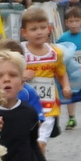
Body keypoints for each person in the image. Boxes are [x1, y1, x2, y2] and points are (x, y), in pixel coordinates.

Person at [19, 7, 72, 138]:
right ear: (24, 32)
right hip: (25, 103)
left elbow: (61, 72)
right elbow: (7, 71)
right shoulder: (19, 52)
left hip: (48, 105)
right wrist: (21, 74)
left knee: (41, 141)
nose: (39, 32)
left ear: (49, 29)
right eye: (33, 29)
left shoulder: (56, 53)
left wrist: (66, 86)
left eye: (43, 28)